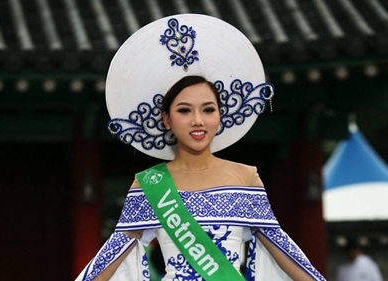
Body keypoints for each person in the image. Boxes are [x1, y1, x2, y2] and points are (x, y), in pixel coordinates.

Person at [75, 14, 327, 281]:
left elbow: (281, 248)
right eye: (184, 110)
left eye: (208, 109)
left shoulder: (245, 178)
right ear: (167, 119)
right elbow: (113, 254)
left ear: (220, 115)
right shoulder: (149, 184)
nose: (198, 120)